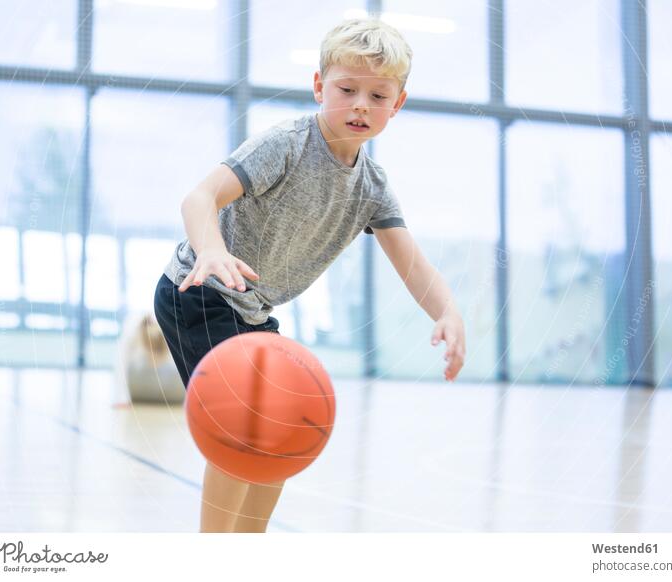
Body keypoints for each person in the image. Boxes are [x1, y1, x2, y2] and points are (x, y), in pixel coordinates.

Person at [153, 17, 466, 533]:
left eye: (378, 95)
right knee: (241, 429)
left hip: (249, 309)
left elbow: (411, 264)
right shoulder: (287, 145)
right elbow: (200, 197)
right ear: (320, 86)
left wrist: (448, 311)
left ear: (398, 104)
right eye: (347, 90)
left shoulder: (372, 188)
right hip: (199, 290)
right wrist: (211, 250)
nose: (361, 105)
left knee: (275, 434)